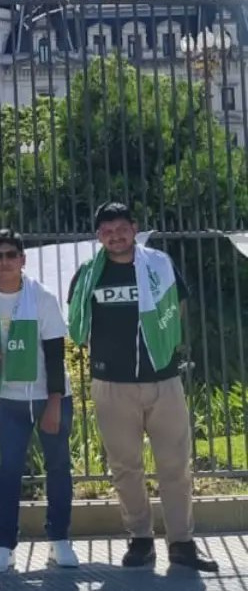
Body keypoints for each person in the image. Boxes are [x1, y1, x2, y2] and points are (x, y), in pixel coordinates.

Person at [68, 202, 218, 572]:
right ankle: (140, 540)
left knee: (176, 465)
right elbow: (78, 319)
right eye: (107, 231)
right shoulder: (88, 274)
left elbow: (178, 305)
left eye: (121, 228)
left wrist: (162, 341)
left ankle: (181, 543)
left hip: (163, 379)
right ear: (99, 236)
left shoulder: (160, 265)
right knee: (125, 468)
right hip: (112, 384)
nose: (115, 236)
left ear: (134, 228)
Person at [0, 229, 77, 573]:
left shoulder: (42, 296)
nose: (5, 262)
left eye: (11, 255)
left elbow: (55, 353)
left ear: (22, 259)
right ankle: (3, 545)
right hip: (9, 397)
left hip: (48, 394)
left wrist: (54, 403)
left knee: (58, 468)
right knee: (8, 471)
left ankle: (59, 540)